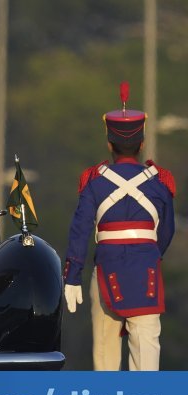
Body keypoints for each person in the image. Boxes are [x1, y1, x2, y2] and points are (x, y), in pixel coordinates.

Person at [63, 82, 175, 371]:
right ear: (142, 143)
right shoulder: (160, 182)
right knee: (147, 352)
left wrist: (72, 276)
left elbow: (80, 230)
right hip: (146, 268)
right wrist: (148, 254)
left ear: (109, 143)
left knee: (105, 353)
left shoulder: (94, 182)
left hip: (106, 268)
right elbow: (167, 231)